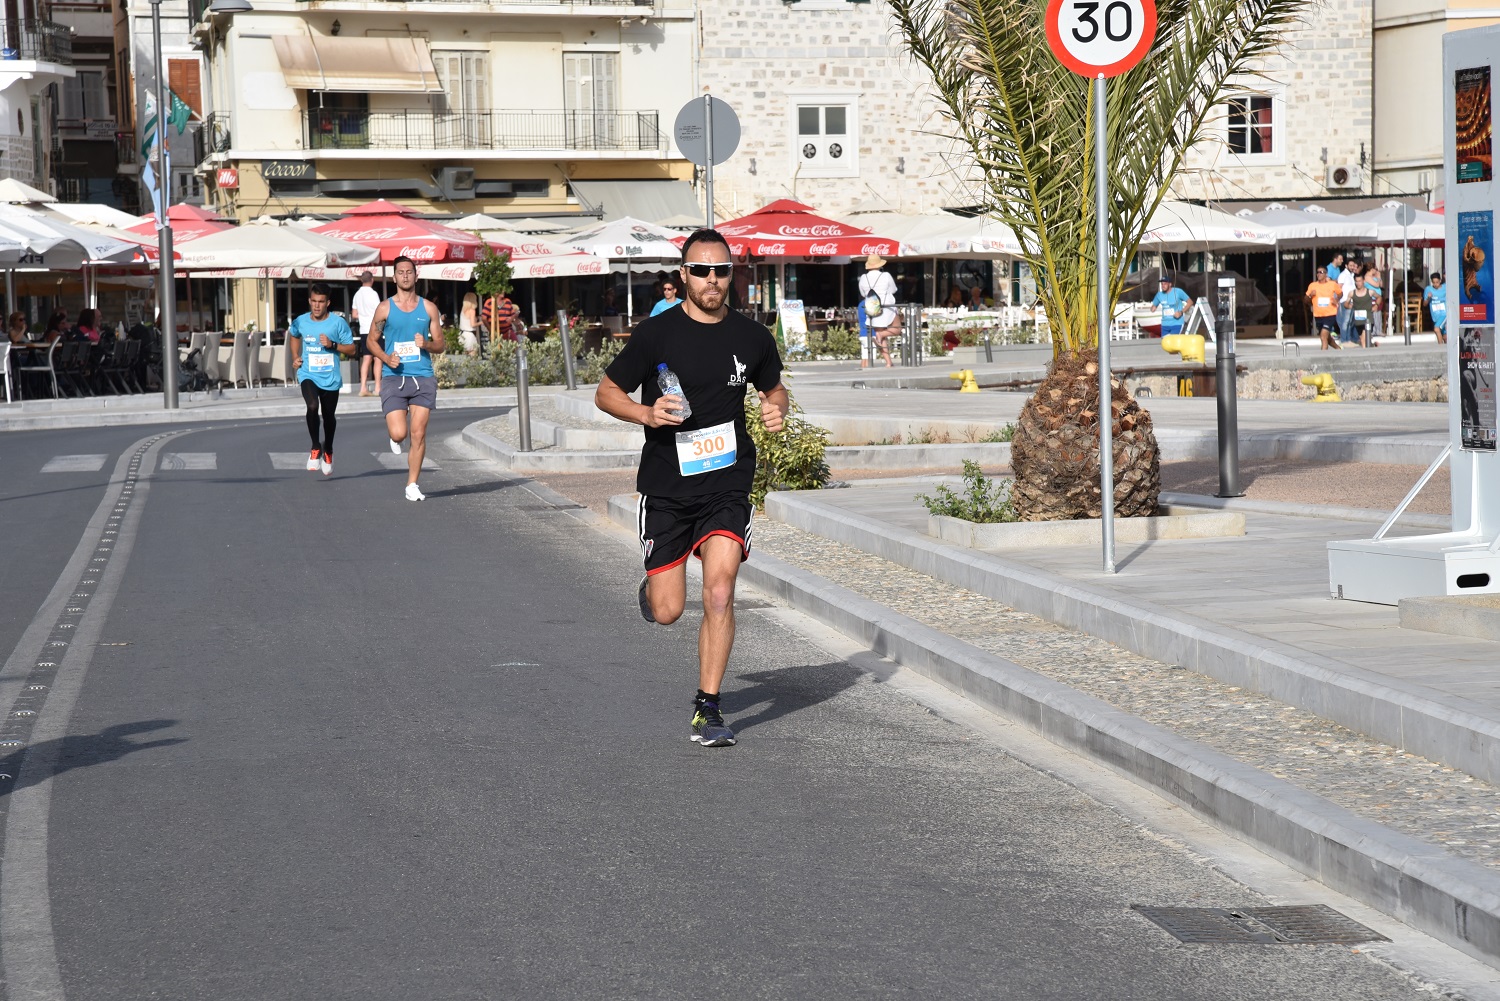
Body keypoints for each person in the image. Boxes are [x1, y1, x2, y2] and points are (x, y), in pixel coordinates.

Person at [594, 228, 789, 748]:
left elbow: (774, 388)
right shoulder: (656, 334)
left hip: (727, 483)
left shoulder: (752, 337)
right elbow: (606, 392)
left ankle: (709, 707)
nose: (711, 280)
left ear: (731, 274)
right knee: (668, 611)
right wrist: (645, 413)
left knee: (720, 591)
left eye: (720, 270)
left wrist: (776, 408)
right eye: (700, 270)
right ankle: (654, 587)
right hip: (668, 488)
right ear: (684, 276)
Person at [367, 256, 445, 501]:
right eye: (400, 272)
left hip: (423, 377)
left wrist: (427, 345)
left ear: (416, 276)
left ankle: (412, 484)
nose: (405, 276)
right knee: (400, 433)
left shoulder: (429, 308)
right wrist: (385, 357)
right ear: (394, 277)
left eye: (409, 272)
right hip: (394, 377)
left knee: (418, 433)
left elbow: (441, 344)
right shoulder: (385, 308)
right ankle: (395, 438)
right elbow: (371, 341)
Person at [289, 283, 355, 476]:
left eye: (321, 302)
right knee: (311, 406)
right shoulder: (301, 321)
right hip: (308, 373)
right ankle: (315, 447)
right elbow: (294, 335)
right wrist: (295, 356)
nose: (317, 306)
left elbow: (352, 349)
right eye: (314, 301)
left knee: (328, 417)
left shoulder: (337, 323)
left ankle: (329, 450)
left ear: (328, 303)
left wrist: (333, 345)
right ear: (310, 301)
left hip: (330, 377)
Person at [858, 253, 899, 368]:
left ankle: (888, 362)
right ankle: (881, 335)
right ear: (879, 265)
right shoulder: (885, 275)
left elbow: (863, 294)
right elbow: (894, 289)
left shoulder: (863, 277)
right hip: (886, 306)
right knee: (897, 328)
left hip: (872, 307)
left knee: (880, 336)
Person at [351, 270, 381, 396]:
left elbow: (354, 314)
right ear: (372, 280)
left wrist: (363, 317)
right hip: (375, 329)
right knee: (378, 357)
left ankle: (363, 387)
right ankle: (378, 388)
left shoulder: (357, 295)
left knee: (366, 358)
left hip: (363, 329)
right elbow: (379, 312)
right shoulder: (373, 294)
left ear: (361, 280)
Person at [1306, 266, 1343, 351]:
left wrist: (1337, 299)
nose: (1319, 274)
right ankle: (1338, 349)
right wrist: (1310, 295)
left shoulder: (1332, 284)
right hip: (1318, 315)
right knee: (1326, 337)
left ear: (1326, 274)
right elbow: (1305, 299)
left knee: (1323, 336)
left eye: (1321, 272)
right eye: (1317, 272)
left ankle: (1323, 356)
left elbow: (1341, 293)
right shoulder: (1312, 285)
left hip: (1330, 314)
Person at [1348, 273, 1376, 349]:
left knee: (1364, 340)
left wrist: (1376, 305)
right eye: (1356, 281)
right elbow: (1346, 304)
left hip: (1368, 320)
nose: (1358, 283)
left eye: (1359, 281)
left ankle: (1366, 353)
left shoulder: (1370, 292)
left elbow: (1379, 297)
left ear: (1363, 281)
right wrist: (1349, 305)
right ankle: (1371, 345)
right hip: (1358, 320)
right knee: (1363, 339)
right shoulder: (1352, 293)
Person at [1423, 272, 1448, 344]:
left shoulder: (1445, 287)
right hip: (1435, 316)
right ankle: (1445, 349)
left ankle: (1440, 348)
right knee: (1445, 337)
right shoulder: (1428, 289)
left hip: (1444, 314)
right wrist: (1428, 298)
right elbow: (1424, 304)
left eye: (1437, 282)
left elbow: (1452, 285)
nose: (1435, 284)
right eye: (1433, 282)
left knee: (1436, 329)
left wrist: (1446, 277)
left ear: (1440, 281)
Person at [1363, 265, 1384, 342]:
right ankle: (1374, 331)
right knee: (1374, 314)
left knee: (1378, 314)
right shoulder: (1367, 277)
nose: (1376, 271)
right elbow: (1376, 285)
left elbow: (1381, 285)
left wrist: (1379, 278)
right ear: (1371, 269)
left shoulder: (1374, 277)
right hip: (1372, 298)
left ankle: (1378, 329)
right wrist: (1378, 278)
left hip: (1378, 298)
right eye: (1375, 269)